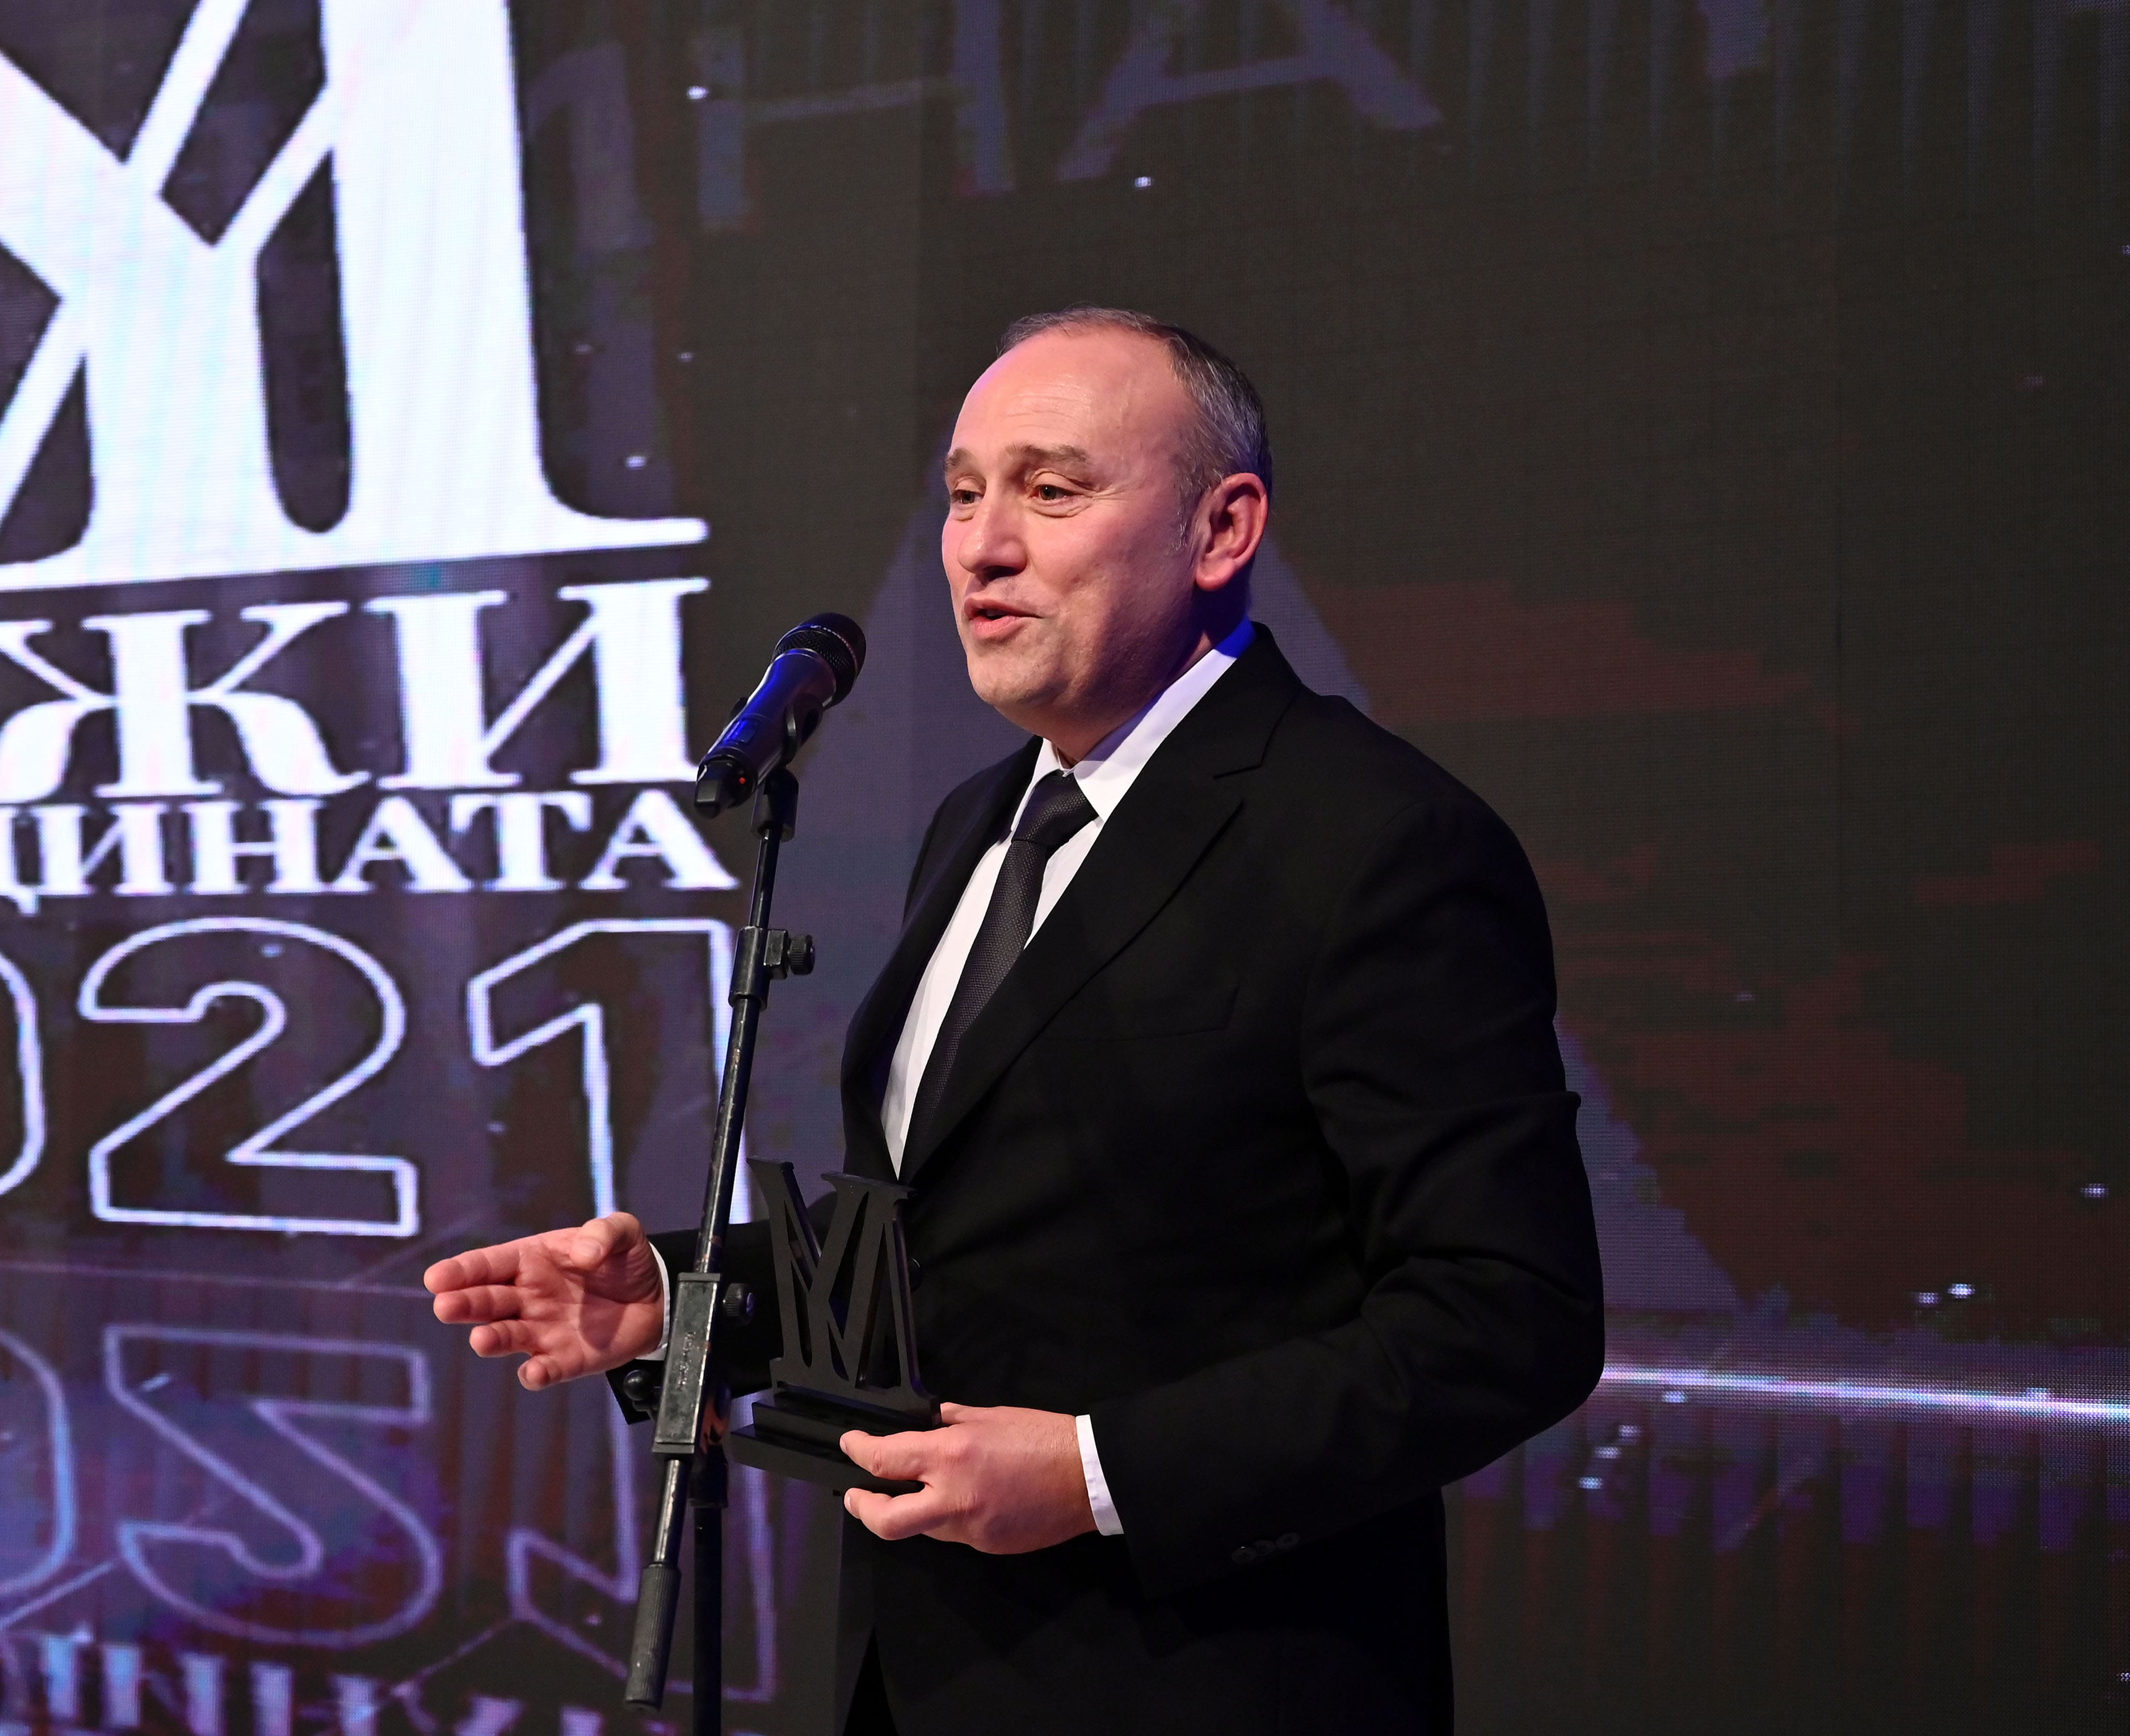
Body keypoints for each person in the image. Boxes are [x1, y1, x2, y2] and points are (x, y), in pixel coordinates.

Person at [423, 307, 1604, 1733]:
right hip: (919, 1668)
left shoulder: (1375, 839)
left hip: (1206, 1684)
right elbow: (957, 1233)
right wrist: (684, 1300)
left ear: (1221, 529)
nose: (981, 547)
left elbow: (1505, 1315)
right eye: (964, 493)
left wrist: (1102, 1473)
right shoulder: (978, 822)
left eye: (1051, 490)